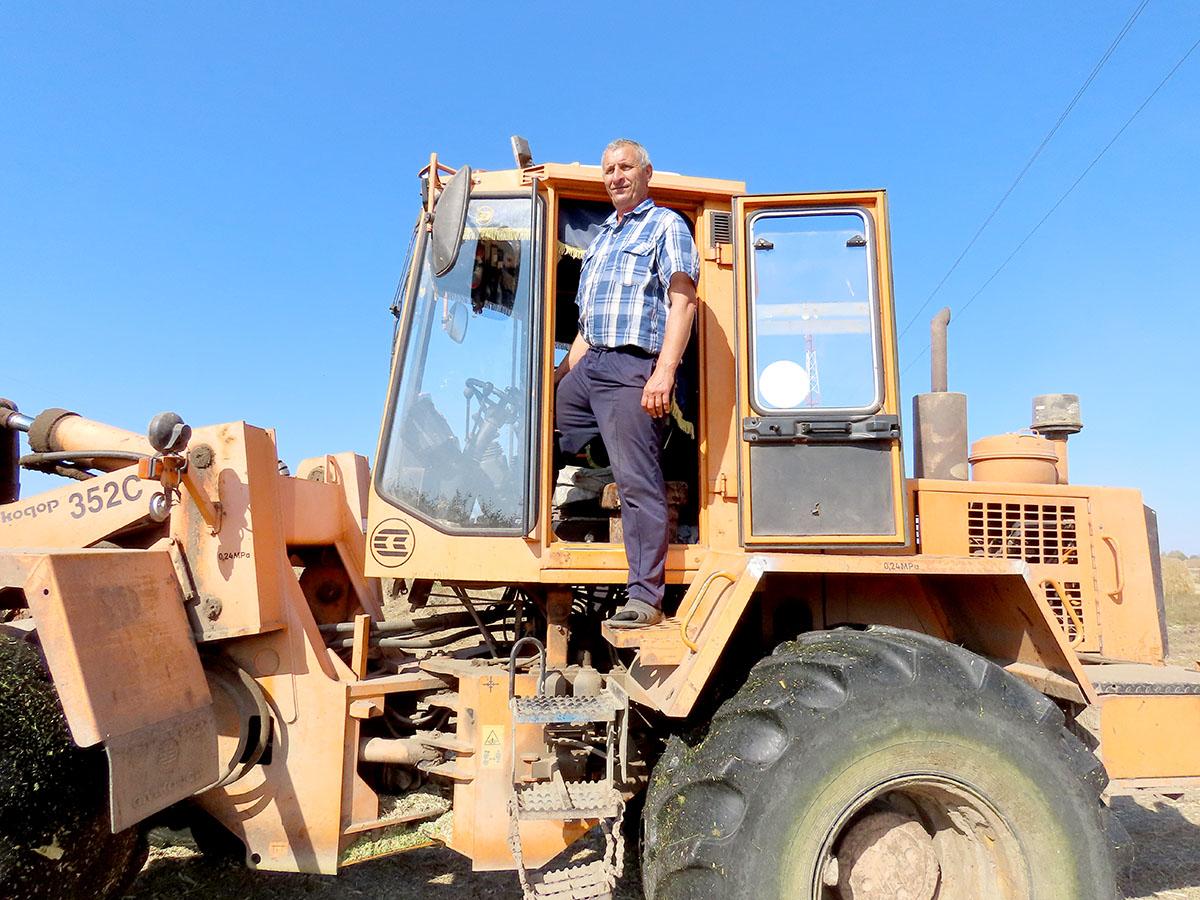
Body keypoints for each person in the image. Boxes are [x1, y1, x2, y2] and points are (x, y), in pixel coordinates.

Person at [554, 139, 699, 627]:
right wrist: (558, 378)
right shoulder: (601, 238)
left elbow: (683, 301)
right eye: (609, 170)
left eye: (625, 167)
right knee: (542, 428)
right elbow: (585, 326)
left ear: (646, 173)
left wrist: (664, 371)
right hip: (590, 363)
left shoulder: (665, 225)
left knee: (638, 483)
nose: (616, 176)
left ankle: (644, 598)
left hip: (631, 367)